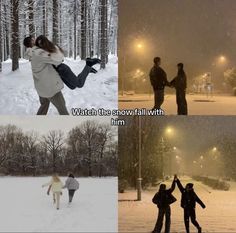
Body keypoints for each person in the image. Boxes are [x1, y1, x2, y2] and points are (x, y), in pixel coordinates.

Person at [23, 35, 101, 115]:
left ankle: (87, 68)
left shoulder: (34, 52)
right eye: (33, 39)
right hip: (59, 72)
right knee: (75, 85)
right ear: (31, 42)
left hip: (55, 74)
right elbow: (58, 58)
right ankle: (88, 67)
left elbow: (50, 56)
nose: (35, 39)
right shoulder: (37, 52)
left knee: (76, 85)